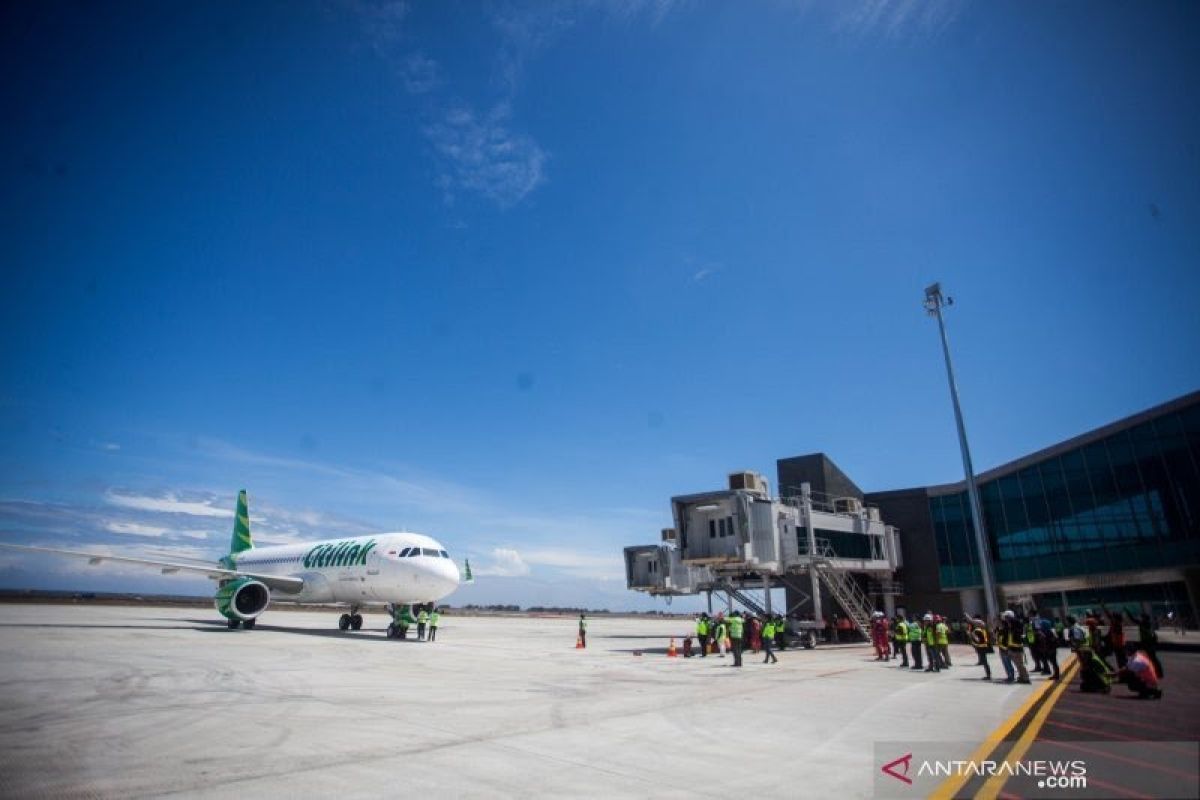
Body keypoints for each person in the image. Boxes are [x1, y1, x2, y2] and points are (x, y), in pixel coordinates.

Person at [1002, 610, 1031, 684]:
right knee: (1017, 664)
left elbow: (1019, 632)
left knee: (1020, 664)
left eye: (1007, 617)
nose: (1005, 619)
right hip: (1011, 647)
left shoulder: (1016, 624)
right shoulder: (1008, 625)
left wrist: (1010, 628)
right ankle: (1021, 677)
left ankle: (1026, 677)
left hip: (1017, 647)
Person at [1138, 613, 1163, 677]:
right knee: (1152, 658)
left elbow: (1134, 620)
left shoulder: (1144, 624)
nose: (1141, 618)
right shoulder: (1147, 624)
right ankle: (1157, 672)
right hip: (1149, 643)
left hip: (1148, 644)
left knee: (1152, 658)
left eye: (1142, 617)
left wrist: (1127, 611)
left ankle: (1157, 673)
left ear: (1144, 619)